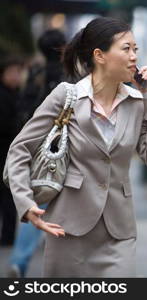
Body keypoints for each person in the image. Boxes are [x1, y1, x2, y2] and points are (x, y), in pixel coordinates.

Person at [5, 17, 147, 277]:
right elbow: (19, 150)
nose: (134, 57)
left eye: (136, 49)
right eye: (126, 48)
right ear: (99, 55)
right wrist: (25, 203)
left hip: (119, 233)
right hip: (68, 228)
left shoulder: (138, 101)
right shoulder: (66, 95)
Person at [6, 29, 67, 278]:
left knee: (38, 201)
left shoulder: (35, 73)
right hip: (59, 151)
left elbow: (24, 106)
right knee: (52, 203)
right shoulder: (68, 79)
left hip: (34, 147)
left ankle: (19, 262)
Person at [0, 56, 25, 246]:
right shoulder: (4, 96)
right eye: (13, 72)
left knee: (9, 195)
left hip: (11, 153)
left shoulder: (17, 94)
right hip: (4, 150)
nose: (17, 76)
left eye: (19, 72)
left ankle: (8, 236)